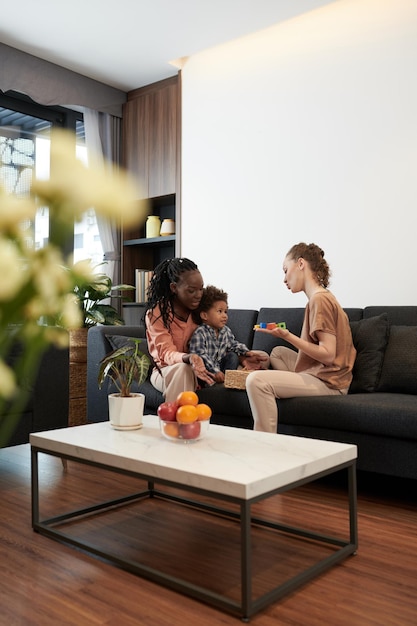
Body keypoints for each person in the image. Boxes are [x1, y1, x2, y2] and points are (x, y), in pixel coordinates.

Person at [246, 242, 356, 433]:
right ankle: (284, 383)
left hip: (329, 382)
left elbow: (328, 355)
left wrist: (287, 335)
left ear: (301, 264)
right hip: (323, 373)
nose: (284, 279)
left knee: (256, 381)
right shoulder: (320, 297)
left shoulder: (319, 300)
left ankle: (264, 445)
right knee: (277, 353)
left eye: (285, 270)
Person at [145, 257, 214, 402]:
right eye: (191, 291)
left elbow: (219, 340)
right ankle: (177, 422)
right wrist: (188, 358)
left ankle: (175, 419)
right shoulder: (157, 314)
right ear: (174, 288)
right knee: (183, 369)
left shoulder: (203, 311)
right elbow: (165, 353)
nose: (199, 295)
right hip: (165, 371)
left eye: (201, 289)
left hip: (199, 372)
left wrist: (243, 355)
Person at [189, 285, 269, 383]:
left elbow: (233, 344)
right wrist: (215, 371)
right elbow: (201, 355)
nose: (225, 316)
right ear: (204, 315)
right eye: (220, 311)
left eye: (226, 311)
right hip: (207, 371)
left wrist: (246, 352)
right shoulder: (200, 333)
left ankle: (229, 380)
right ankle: (219, 380)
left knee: (232, 356)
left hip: (222, 368)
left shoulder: (225, 331)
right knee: (203, 361)